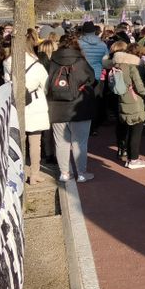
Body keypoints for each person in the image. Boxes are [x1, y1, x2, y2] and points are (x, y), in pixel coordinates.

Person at [46, 35, 98, 183]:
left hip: (57, 107)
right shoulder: (81, 62)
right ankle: (81, 173)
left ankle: (64, 173)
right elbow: (92, 79)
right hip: (80, 107)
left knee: (61, 143)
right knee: (79, 142)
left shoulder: (52, 61)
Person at [3, 37, 50, 184]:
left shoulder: (7, 62)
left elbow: (7, 83)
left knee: (17, 141)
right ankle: (35, 173)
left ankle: (18, 172)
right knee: (35, 142)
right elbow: (46, 85)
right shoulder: (37, 64)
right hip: (36, 103)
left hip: (16, 104)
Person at [78, 21, 109, 134]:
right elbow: (105, 62)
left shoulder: (78, 43)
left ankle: (82, 125)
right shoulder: (102, 44)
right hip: (97, 75)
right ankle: (94, 127)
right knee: (96, 101)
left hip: (81, 76)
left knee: (81, 101)